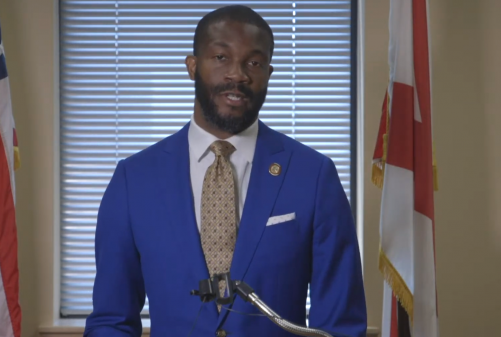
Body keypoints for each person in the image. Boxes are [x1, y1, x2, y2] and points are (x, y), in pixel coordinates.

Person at [84, 5, 366, 337]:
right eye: (221, 57)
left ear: (269, 74)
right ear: (192, 66)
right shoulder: (133, 180)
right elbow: (111, 321)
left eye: (254, 63)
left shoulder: (314, 175)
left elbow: (340, 325)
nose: (238, 74)